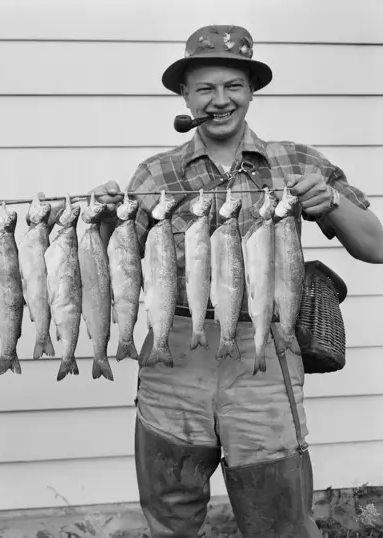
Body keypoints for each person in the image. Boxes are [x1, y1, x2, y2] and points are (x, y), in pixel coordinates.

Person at [89, 25, 383, 537]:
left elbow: (377, 247)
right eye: (205, 88)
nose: (220, 100)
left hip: (266, 354)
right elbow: (124, 270)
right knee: (171, 514)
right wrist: (105, 222)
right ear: (185, 96)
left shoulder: (298, 162)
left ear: (251, 92)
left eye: (233, 86)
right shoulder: (156, 175)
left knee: (280, 519)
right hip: (174, 352)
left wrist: (330, 202)